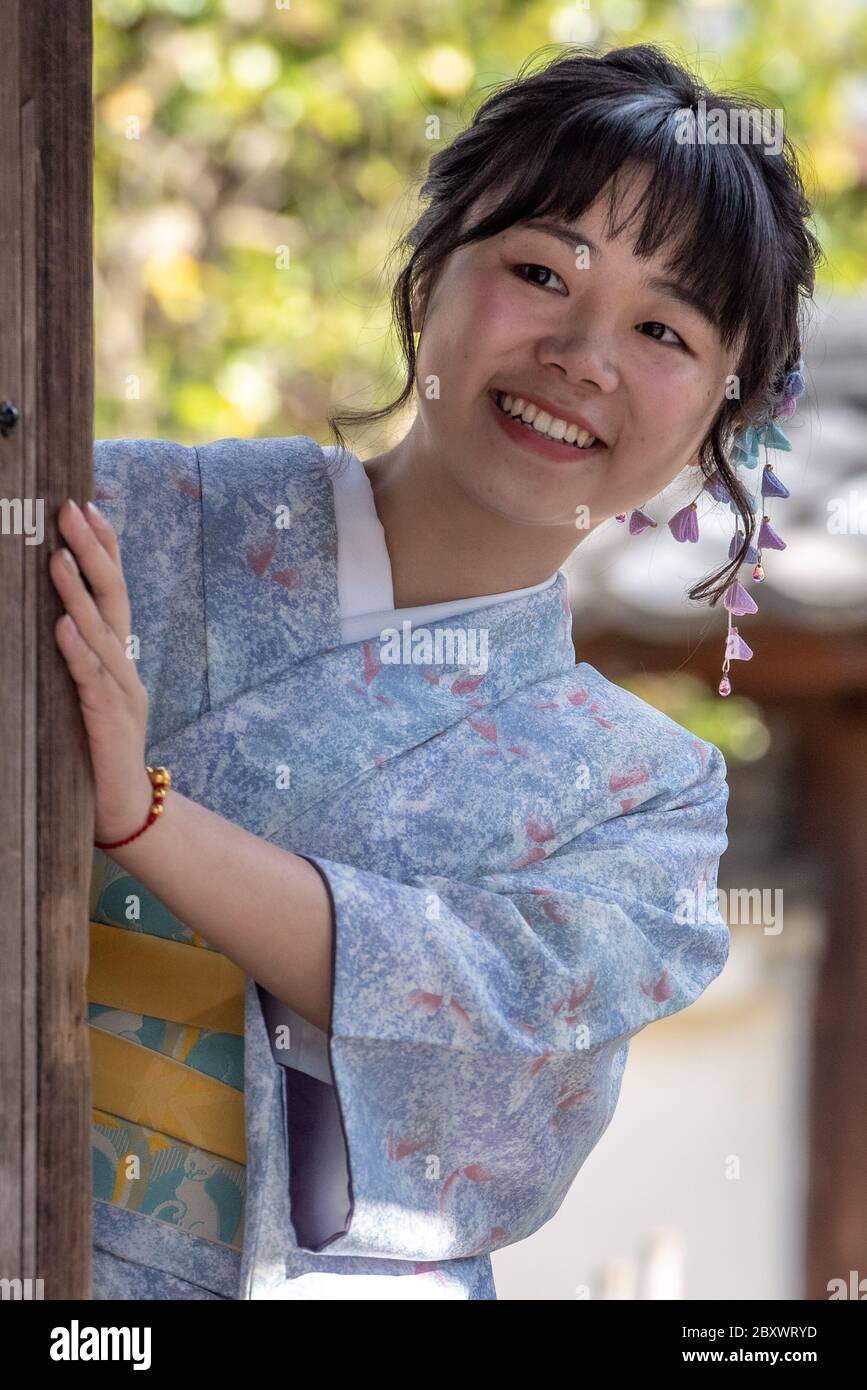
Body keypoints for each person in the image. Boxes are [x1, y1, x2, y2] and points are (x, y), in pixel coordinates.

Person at [53, 43, 820, 1300]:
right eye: (538, 271)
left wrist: (143, 817)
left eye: (662, 328)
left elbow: (477, 1009)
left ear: (717, 424)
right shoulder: (128, 513)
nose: (583, 354)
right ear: (428, 281)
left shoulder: (645, 797)